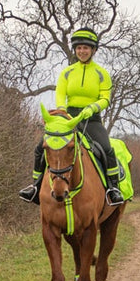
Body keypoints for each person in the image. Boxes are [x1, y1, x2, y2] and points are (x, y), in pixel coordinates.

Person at [19, 27, 125, 206]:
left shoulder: (102, 74)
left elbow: (106, 98)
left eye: (86, 48)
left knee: (107, 149)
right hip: (68, 118)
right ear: (75, 50)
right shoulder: (67, 72)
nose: (82, 51)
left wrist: (92, 108)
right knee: (41, 148)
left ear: (93, 50)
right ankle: (35, 187)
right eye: (79, 48)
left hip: (91, 119)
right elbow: (60, 93)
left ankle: (113, 189)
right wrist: (61, 111)